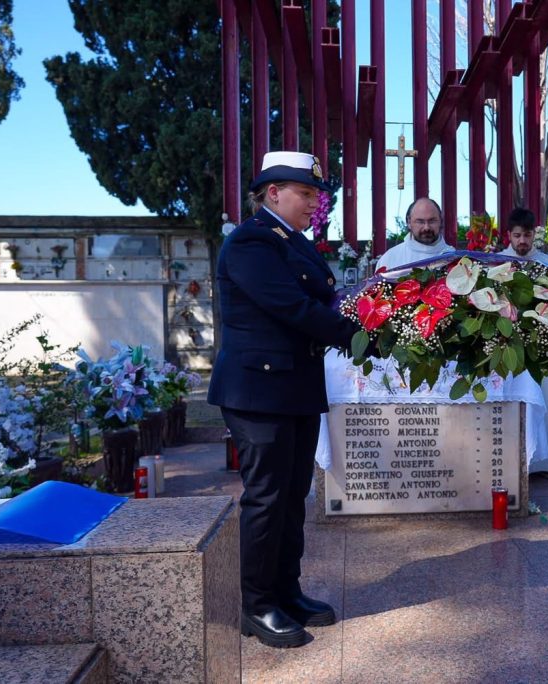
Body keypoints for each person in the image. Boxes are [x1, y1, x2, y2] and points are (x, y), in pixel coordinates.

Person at [208, 151, 359, 649]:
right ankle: (256, 604)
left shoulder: (295, 243)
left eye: (317, 195)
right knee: (267, 499)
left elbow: (322, 299)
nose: (314, 203)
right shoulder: (251, 241)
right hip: (258, 391)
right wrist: (359, 334)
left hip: (292, 387)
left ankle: (286, 591)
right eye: (306, 193)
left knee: (293, 496)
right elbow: (292, 306)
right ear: (273, 193)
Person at [500, 208, 548, 480]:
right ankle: (512, 464)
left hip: (542, 343)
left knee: (547, 399)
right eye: (517, 235)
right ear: (509, 236)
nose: (522, 241)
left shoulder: (547, 262)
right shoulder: (496, 262)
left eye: (527, 235)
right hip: (509, 343)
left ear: (534, 234)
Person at [375, 197, 454, 271]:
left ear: (440, 221)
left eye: (432, 221)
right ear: (409, 222)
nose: (426, 227)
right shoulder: (390, 258)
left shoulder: (454, 259)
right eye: (420, 221)